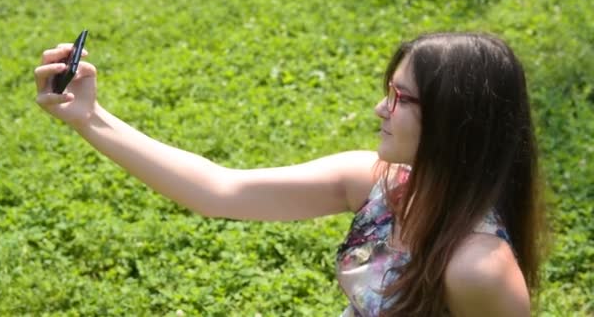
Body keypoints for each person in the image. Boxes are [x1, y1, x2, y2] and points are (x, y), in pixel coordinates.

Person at [34, 32, 545, 316]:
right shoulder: (380, 187)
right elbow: (221, 190)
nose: (378, 109)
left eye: (400, 99)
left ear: (456, 121)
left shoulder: (478, 268)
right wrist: (89, 118)